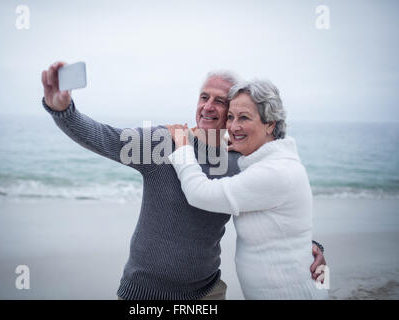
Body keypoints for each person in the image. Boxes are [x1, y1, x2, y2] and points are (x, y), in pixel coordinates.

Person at [40, 61, 326, 299]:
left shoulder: (240, 160)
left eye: (220, 101)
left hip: (208, 292)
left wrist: (308, 246)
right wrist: (63, 112)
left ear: (232, 112)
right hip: (145, 293)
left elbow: (273, 210)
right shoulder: (163, 142)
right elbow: (104, 138)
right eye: (204, 97)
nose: (208, 107)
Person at [167, 79, 329, 299]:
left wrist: (183, 146)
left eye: (244, 118)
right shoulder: (272, 159)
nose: (233, 127)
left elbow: (199, 193)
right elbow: (290, 228)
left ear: (270, 123)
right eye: (231, 117)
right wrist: (312, 248)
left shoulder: (274, 171)